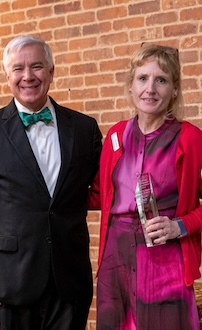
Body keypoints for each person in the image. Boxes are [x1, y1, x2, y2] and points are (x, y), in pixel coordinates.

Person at [0, 35, 102, 330]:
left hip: (69, 281)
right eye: (18, 69)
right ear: (7, 76)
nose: (28, 76)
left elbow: (106, 190)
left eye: (37, 66)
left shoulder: (85, 129)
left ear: (51, 71)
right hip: (8, 283)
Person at [88, 43, 202, 330]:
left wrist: (181, 225)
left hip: (165, 263)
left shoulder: (190, 138)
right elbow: (101, 195)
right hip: (116, 261)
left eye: (161, 80)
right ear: (131, 86)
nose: (150, 88)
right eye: (143, 78)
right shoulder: (116, 135)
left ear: (174, 89)